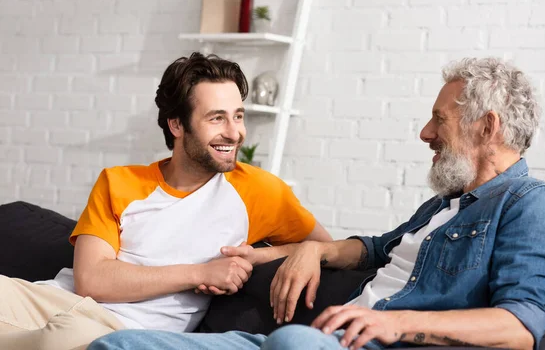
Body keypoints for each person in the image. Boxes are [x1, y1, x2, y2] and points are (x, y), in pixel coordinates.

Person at [89, 57, 545, 350]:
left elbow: (520, 326)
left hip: (359, 342)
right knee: (118, 344)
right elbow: (375, 247)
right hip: (315, 341)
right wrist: (308, 250)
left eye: (438, 120)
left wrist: (391, 322)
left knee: (295, 341)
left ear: (487, 128)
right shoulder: (446, 205)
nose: (425, 134)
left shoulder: (530, 204)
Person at [0, 53, 332, 350]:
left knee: (60, 340)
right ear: (176, 124)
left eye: (239, 116)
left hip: (115, 333)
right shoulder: (119, 181)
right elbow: (92, 279)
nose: (234, 133)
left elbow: (328, 248)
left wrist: (265, 255)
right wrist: (200, 273)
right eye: (217, 118)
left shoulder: (258, 190)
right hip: (50, 299)